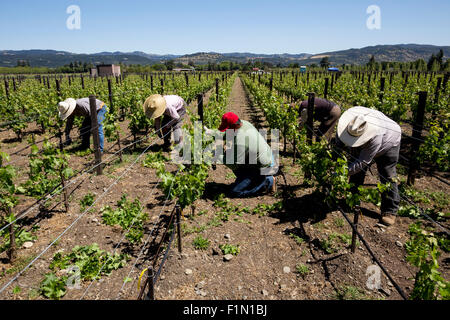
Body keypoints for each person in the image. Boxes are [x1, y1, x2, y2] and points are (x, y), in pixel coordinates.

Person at [336, 106, 402, 226]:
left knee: (387, 174)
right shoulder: (349, 123)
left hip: (391, 139)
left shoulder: (374, 138)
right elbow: (339, 139)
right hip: (373, 136)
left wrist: (341, 173)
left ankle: (390, 211)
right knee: (356, 169)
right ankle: (352, 199)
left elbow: (362, 162)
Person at [212, 112, 276, 198]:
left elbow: (233, 164)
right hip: (265, 156)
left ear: (234, 126)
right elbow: (227, 133)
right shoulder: (243, 123)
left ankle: (267, 181)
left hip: (263, 166)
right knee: (231, 155)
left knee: (235, 192)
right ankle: (248, 180)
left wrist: (217, 156)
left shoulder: (240, 141)